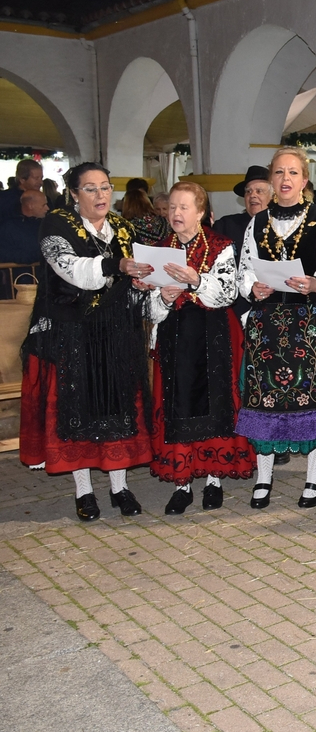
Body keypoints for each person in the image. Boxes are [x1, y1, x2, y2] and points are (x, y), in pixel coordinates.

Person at [18, 162, 155, 521]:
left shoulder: (123, 228)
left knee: (117, 408)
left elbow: (134, 270)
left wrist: (141, 279)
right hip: (71, 330)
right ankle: (84, 491)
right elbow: (72, 270)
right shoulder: (57, 225)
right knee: (77, 410)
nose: (100, 195)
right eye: (90, 188)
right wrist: (118, 267)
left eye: (105, 187)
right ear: (75, 194)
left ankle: (119, 486)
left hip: (116, 332)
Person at [236, 147, 316, 508]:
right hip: (267, 322)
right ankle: (263, 475)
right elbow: (245, 269)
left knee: (313, 395)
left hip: (310, 320)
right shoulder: (256, 222)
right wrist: (251, 287)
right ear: (271, 180)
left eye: (292, 173)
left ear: (304, 180)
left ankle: (314, 474)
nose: (285, 179)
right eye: (279, 173)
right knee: (265, 398)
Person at [141, 182, 255, 513]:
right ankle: (183, 483)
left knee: (215, 402)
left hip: (213, 334)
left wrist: (195, 280)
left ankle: (213, 479)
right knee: (177, 403)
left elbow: (228, 293)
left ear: (201, 213)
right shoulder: (159, 249)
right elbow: (146, 307)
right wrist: (161, 297)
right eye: (172, 207)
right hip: (174, 335)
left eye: (184, 207)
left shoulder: (220, 246)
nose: (176, 213)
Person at [214, 165, 272, 321]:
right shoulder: (226, 225)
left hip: (274, 307)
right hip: (236, 308)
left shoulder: (283, 226)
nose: (252, 195)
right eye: (248, 191)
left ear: (273, 196)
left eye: (259, 191)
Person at [0, 190, 48, 265]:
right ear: (30, 205)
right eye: (43, 205)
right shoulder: (8, 228)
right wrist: (36, 255)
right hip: (21, 274)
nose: (47, 208)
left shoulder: (47, 224)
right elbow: (5, 253)